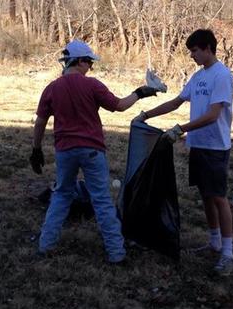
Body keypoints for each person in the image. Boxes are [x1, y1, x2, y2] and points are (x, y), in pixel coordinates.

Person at [30, 40, 158, 263]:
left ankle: (45, 245)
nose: (90, 67)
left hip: (65, 151)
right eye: (89, 62)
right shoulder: (92, 85)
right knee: (101, 201)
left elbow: (40, 122)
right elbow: (119, 106)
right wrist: (140, 92)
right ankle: (117, 254)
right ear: (78, 61)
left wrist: (36, 149)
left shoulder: (51, 88)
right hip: (92, 150)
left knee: (61, 196)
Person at [133, 29, 233, 276]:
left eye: (195, 51)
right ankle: (214, 241)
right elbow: (176, 102)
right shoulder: (199, 77)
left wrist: (180, 129)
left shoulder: (221, 76)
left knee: (219, 197)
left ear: (208, 48)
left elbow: (213, 115)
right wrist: (147, 114)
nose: (192, 55)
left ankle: (228, 253)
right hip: (198, 146)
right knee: (205, 195)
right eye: (191, 51)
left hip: (215, 147)